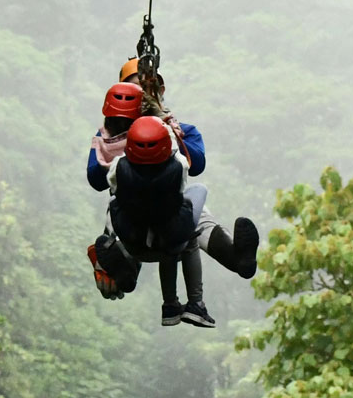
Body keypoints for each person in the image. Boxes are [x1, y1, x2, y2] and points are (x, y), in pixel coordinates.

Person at [84, 79, 258, 327]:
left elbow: (97, 178)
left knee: (129, 216)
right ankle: (131, 274)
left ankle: (234, 257)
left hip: (136, 228)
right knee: (192, 212)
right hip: (170, 226)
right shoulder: (160, 140)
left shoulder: (117, 149)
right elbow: (191, 166)